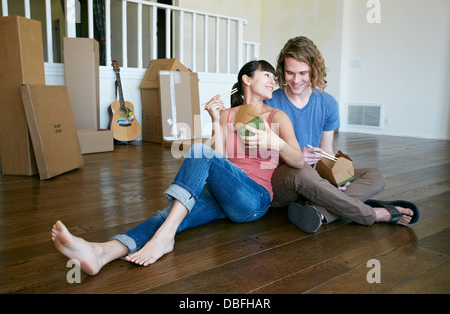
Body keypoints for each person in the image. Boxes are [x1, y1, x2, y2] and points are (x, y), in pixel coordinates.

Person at [51, 60, 303, 275]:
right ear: (247, 79)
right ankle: (102, 252)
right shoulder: (227, 114)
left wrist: (275, 141)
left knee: (196, 155)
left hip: (254, 198)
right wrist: (215, 120)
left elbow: (299, 161)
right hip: (224, 191)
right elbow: (220, 158)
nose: (273, 81)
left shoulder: (277, 117)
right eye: (267, 75)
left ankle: (164, 238)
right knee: (170, 215)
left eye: (274, 77)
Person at [265, 36, 419, 233]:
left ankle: (319, 211)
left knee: (375, 176)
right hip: (285, 181)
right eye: (290, 72)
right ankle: (373, 214)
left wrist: (337, 178)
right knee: (301, 169)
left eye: (303, 73)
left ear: (314, 70)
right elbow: (261, 158)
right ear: (282, 70)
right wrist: (293, 156)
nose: (296, 80)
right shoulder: (270, 102)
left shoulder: (327, 103)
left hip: (315, 179)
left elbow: (327, 150)